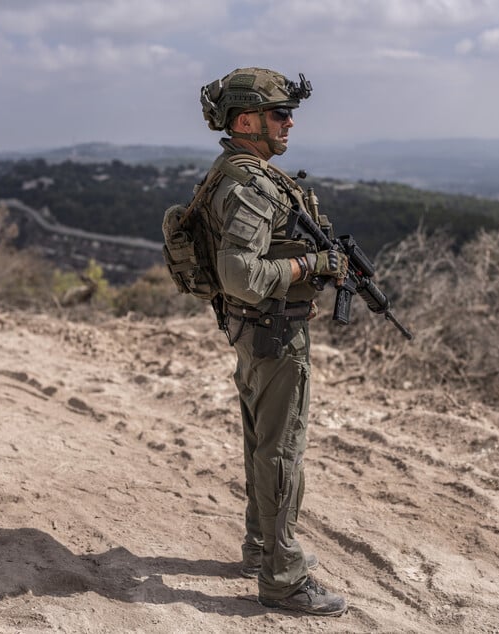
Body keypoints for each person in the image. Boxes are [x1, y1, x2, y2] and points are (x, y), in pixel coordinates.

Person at [198, 67, 348, 616]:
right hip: (274, 333)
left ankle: (261, 546)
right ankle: (283, 577)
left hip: (254, 330)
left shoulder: (235, 173)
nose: (289, 124)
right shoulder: (249, 184)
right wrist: (313, 262)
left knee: (263, 442)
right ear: (245, 120)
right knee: (281, 450)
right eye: (280, 114)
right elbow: (240, 272)